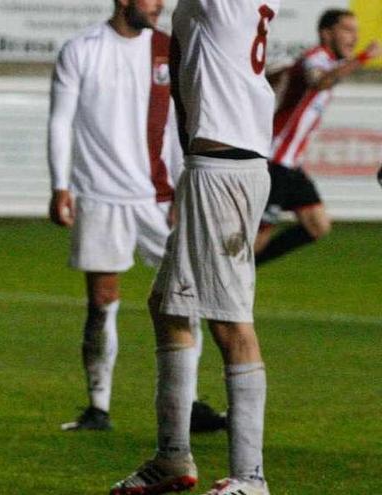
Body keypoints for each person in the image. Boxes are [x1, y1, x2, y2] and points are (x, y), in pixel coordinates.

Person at [110, 1, 279, 494]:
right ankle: (172, 459)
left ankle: (251, 479)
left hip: (224, 171)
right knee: (167, 307)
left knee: (231, 323)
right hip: (215, 166)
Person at [47, 0, 225, 433]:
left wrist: (187, 188)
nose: (160, 5)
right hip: (100, 197)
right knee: (102, 302)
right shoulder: (81, 48)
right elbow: (60, 121)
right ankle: (98, 407)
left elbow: (184, 127)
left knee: (186, 298)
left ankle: (189, 403)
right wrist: (60, 186)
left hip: (159, 198)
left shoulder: (169, 47)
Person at [255, 9, 381, 266]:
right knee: (258, 232)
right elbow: (319, 82)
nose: (354, 38)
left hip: (290, 164)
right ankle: (234, 272)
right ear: (326, 33)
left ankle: (248, 267)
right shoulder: (316, 58)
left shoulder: (329, 63)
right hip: (275, 159)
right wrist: (362, 58)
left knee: (318, 225)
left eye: (356, 32)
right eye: (347, 30)